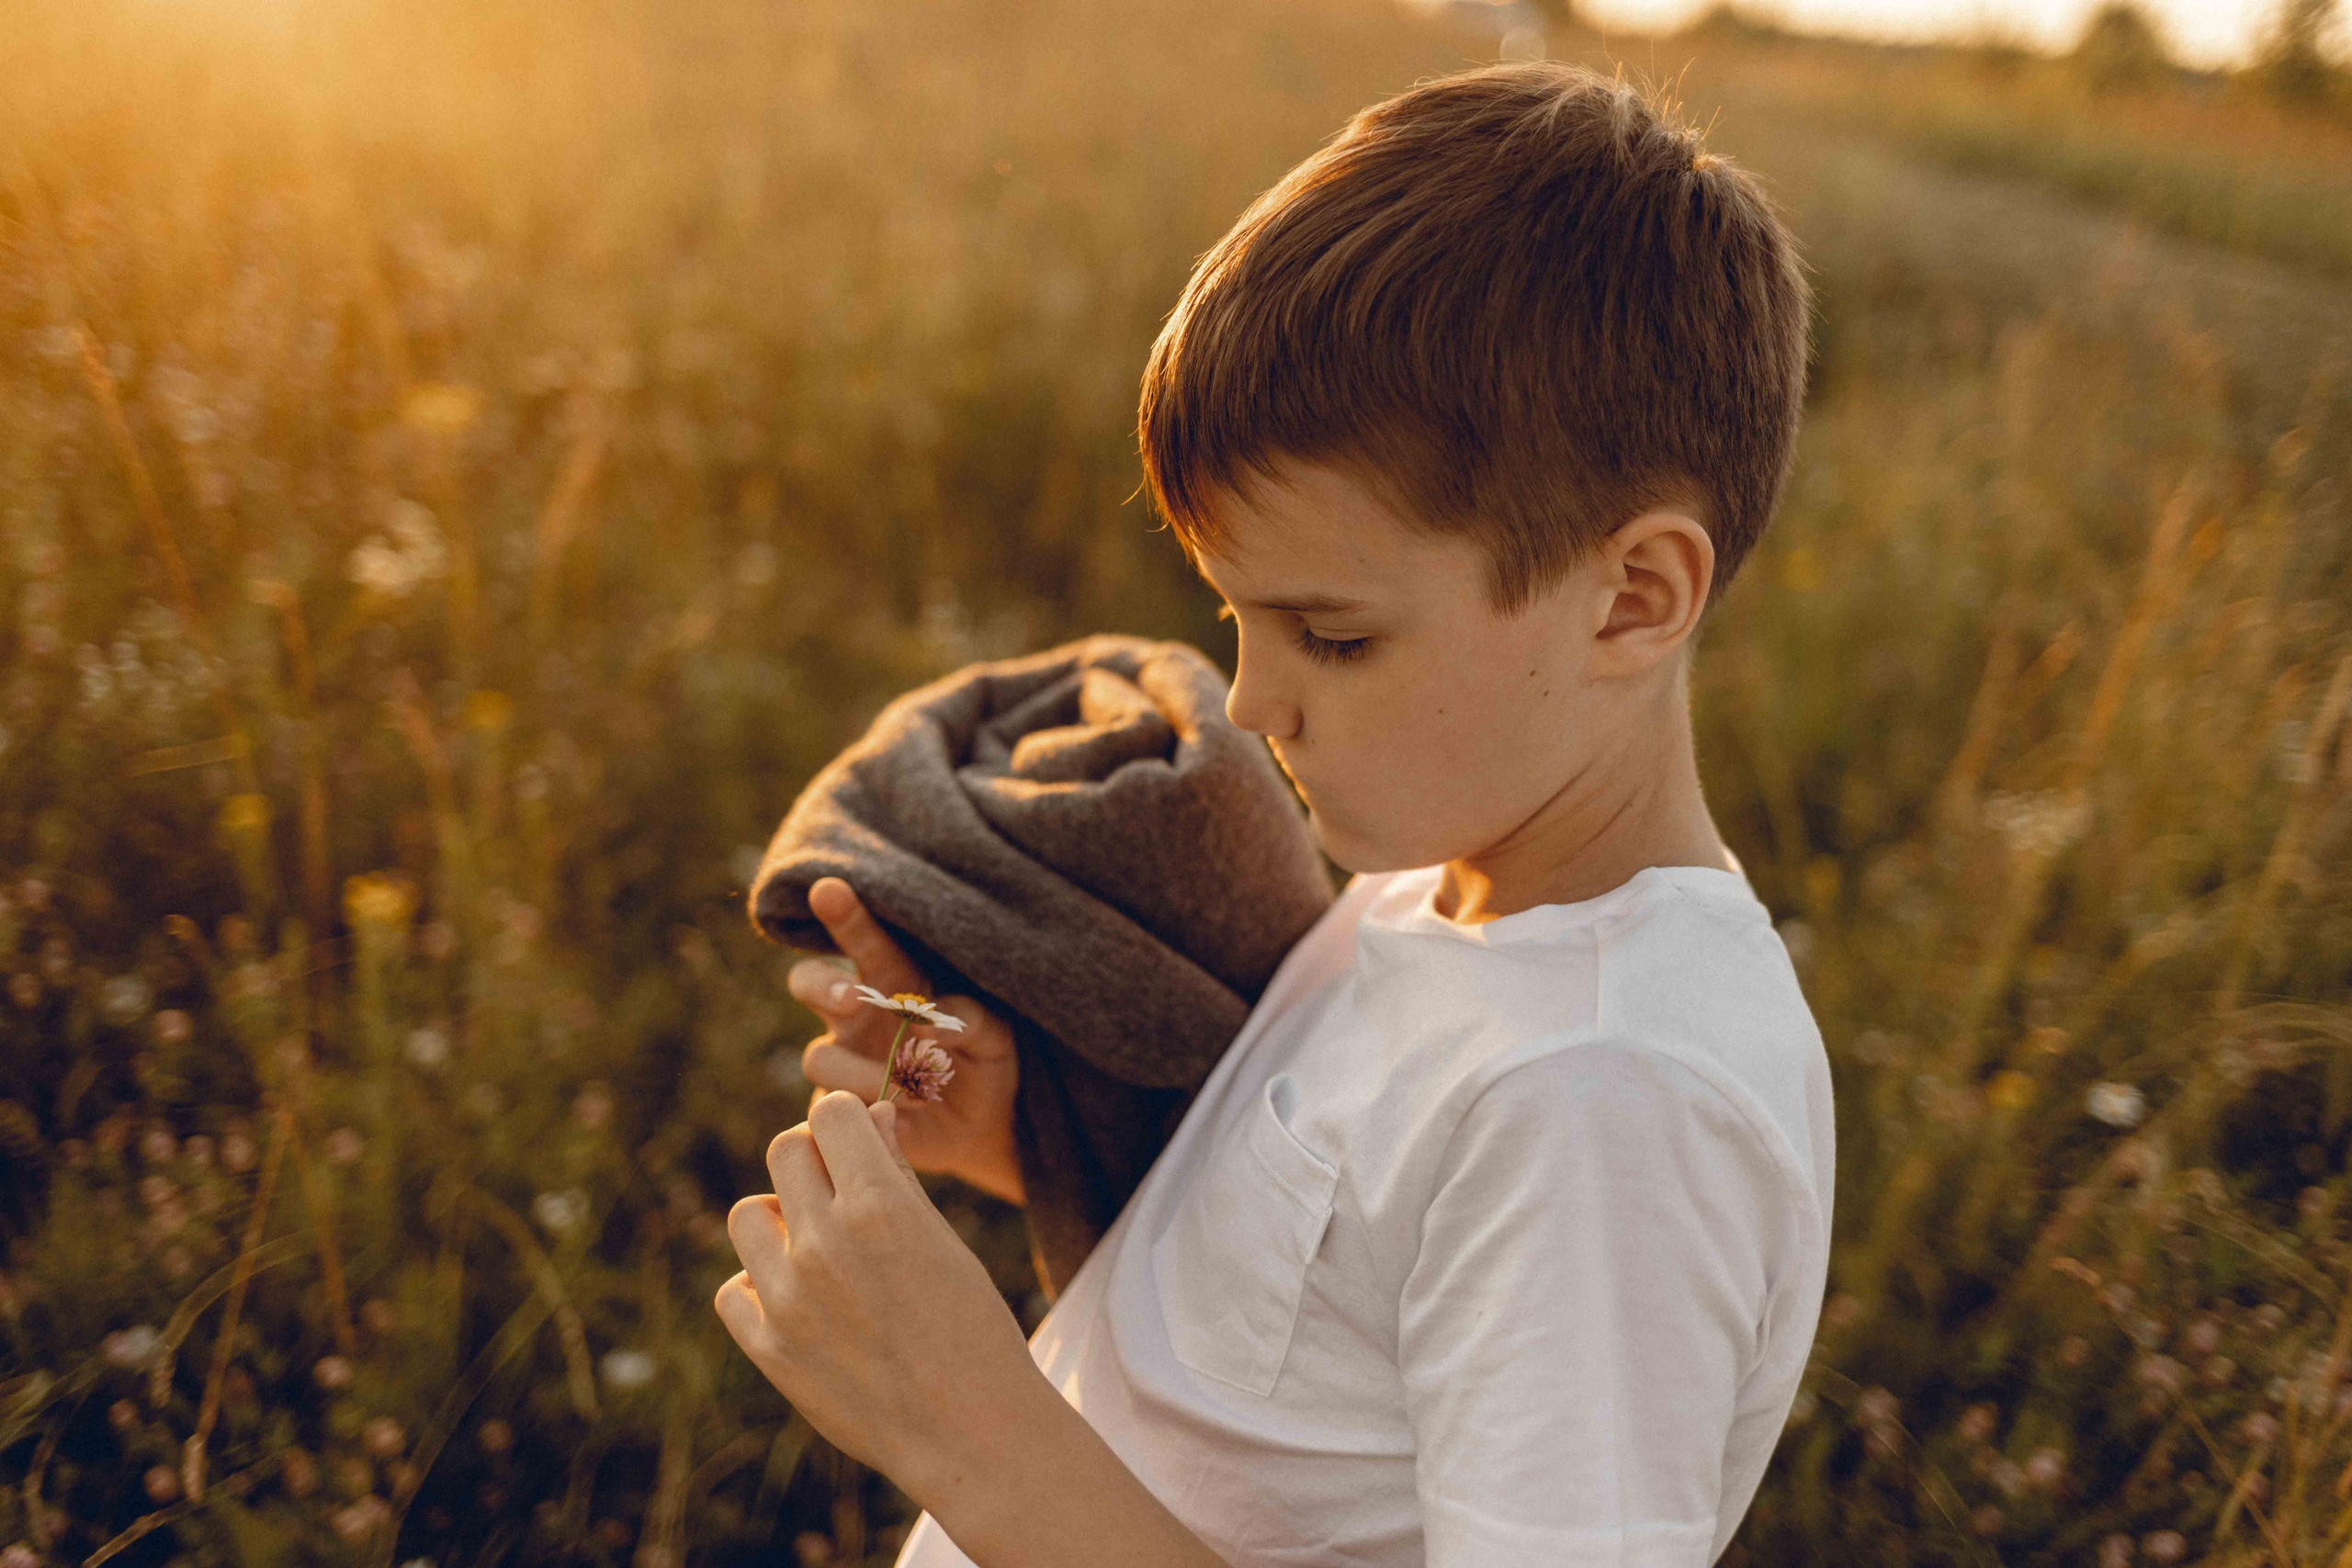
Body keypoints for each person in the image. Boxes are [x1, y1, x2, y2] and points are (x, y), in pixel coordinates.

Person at [714, 58, 1834, 1567]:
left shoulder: (1604, 1099)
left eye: (1335, 636)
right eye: (1236, 619)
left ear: (1632, 598)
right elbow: (1313, 1349)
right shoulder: (1440, 886)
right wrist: (1008, 1140)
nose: (1250, 704)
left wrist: (962, 1421)